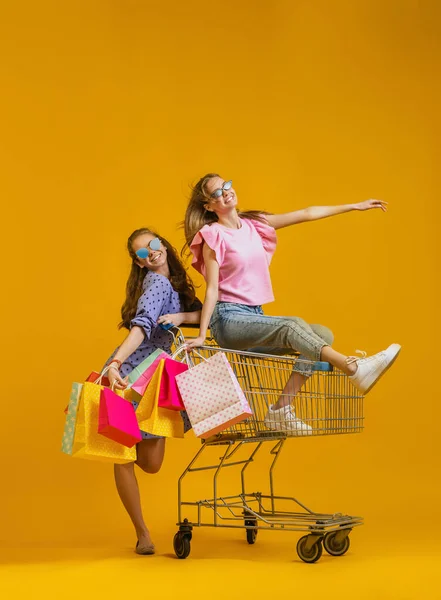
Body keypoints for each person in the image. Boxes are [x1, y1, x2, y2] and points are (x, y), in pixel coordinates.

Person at [183, 173, 400, 434]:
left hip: (255, 317)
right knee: (291, 326)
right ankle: (353, 368)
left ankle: (279, 411)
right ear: (208, 206)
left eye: (227, 185)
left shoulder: (254, 225)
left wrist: (354, 205)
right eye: (217, 193)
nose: (226, 192)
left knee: (321, 334)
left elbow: (307, 213)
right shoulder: (213, 235)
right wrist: (202, 334)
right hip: (229, 320)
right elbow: (212, 290)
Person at [105, 227, 201, 555]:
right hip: (132, 374)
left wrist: (180, 316)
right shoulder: (156, 282)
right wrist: (117, 362)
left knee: (151, 463)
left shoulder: (174, 282)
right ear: (140, 263)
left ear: (162, 244)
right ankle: (142, 533)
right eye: (142, 253)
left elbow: (205, 314)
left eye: (153, 245)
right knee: (122, 452)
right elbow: (141, 325)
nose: (151, 253)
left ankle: (124, 452)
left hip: (157, 376)